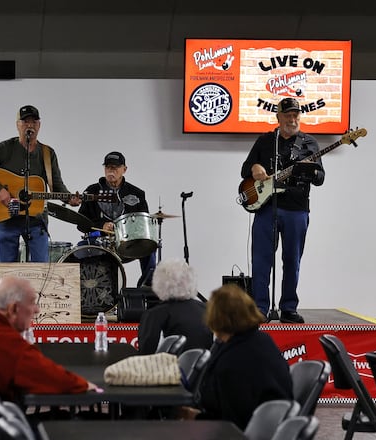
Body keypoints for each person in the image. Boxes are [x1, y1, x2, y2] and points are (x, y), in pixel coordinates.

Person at [0, 276, 99, 400]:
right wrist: (85, 385)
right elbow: (54, 379)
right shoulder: (6, 342)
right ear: (13, 309)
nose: (36, 310)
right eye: (32, 302)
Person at [241, 97, 325, 323]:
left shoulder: (309, 143)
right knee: (261, 260)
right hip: (267, 208)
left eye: (296, 114)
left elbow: (320, 179)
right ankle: (260, 308)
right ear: (278, 117)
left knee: (292, 260)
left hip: (297, 209)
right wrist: (255, 167)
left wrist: (311, 171)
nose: (292, 118)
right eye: (287, 115)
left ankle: (288, 308)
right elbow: (244, 170)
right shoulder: (265, 141)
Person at [0, 105, 80, 263]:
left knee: (40, 270)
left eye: (34, 122)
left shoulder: (47, 153)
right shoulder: (6, 147)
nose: (30, 125)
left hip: (36, 219)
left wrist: (68, 198)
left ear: (39, 125)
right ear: (18, 125)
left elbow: (56, 185)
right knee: (7, 270)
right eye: (25, 121)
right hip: (5, 217)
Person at [194, 284, 293, 430]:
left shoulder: (231, 363)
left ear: (215, 318)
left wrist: (195, 418)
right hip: (274, 428)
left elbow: (232, 425)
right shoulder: (262, 340)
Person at [78, 151, 156, 286]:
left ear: (124, 169)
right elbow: (80, 223)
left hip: (128, 243)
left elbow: (144, 224)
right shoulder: (91, 191)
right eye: (108, 167)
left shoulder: (137, 193)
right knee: (79, 250)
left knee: (149, 248)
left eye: (115, 167)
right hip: (99, 242)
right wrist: (102, 225)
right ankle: (87, 293)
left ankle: (146, 289)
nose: (111, 171)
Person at [136, 258, 213, 355]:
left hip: (171, 368)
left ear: (158, 282)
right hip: (202, 368)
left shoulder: (154, 315)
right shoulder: (208, 310)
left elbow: (146, 354)